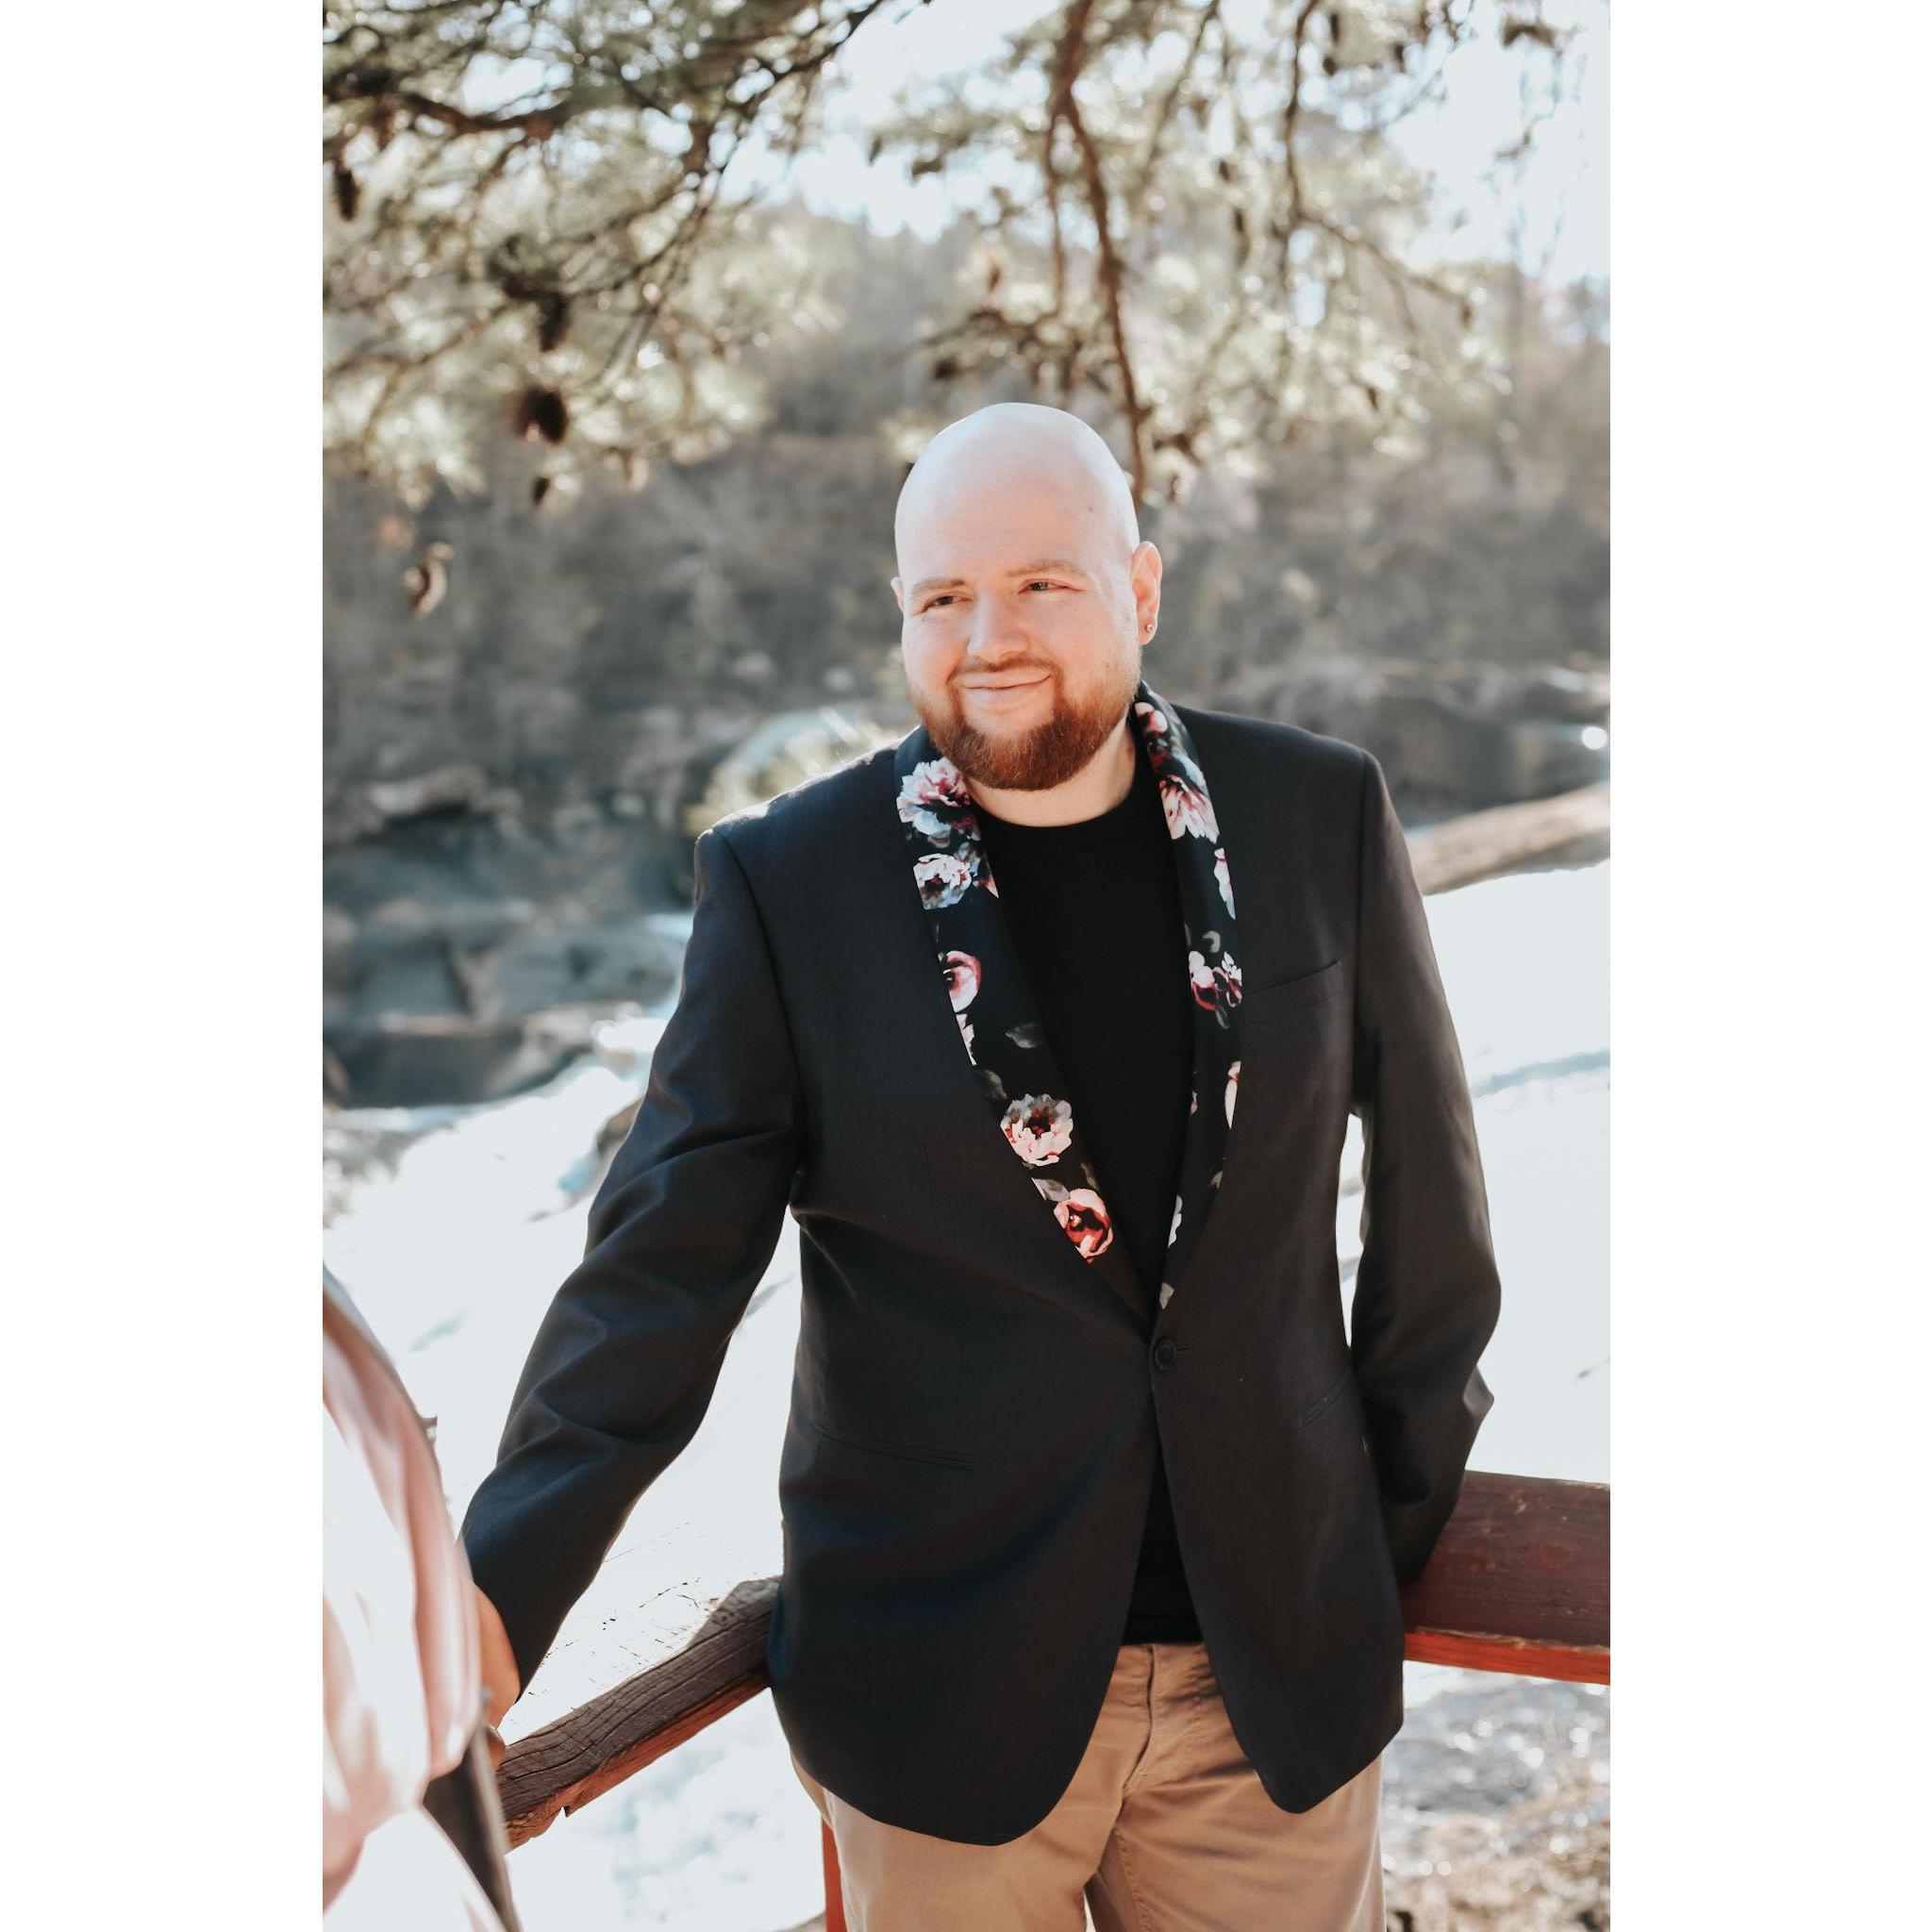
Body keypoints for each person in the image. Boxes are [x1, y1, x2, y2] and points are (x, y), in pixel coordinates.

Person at [460, 402, 1501, 1930]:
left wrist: (1365, 1541)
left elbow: (1435, 1220)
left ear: (1140, 589)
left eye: (1041, 584)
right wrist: (484, 1613)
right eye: (942, 596)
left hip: (1270, 1706)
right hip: (933, 1698)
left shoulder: (1316, 814)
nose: (988, 637)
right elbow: (656, 1283)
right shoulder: (786, 883)